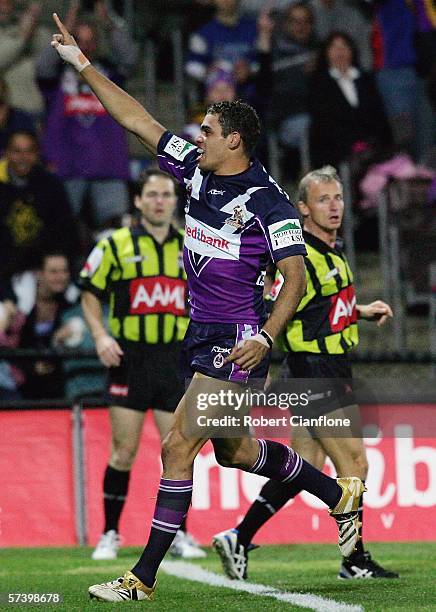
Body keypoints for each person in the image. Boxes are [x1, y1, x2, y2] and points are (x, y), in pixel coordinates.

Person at [50, 13, 365, 602]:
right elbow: (137, 120)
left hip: (239, 339)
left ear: (235, 140)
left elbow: (293, 279)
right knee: (236, 450)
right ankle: (336, 493)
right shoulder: (194, 172)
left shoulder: (266, 201)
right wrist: (84, 66)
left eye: (209, 129)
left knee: (177, 446)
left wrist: (267, 337)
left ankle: (140, 577)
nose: (198, 136)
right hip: (202, 334)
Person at [213, 166, 398, 580]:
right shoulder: (302, 256)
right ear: (303, 209)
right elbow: (278, 301)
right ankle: (354, 559)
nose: (334, 207)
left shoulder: (330, 248)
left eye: (338, 198)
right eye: (323, 200)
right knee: (355, 466)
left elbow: (323, 305)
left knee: (301, 468)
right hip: (313, 372)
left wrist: (361, 311)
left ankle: (238, 537)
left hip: (325, 368)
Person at [79, 168, 205, 560]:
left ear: (175, 201)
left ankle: (180, 534)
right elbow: (89, 292)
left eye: (165, 195)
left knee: (178, 452)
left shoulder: (191, 248)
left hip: (174, 360)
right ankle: (110, 533)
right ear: (137, 201)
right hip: (130, 358)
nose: (158, 201)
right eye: (151, 194)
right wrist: (100, 335)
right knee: (123, 450)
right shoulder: (114, 245)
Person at [36, 9, 137, 230]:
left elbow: (130, 59)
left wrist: (108, 22)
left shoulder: (109, 73)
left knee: (115, 232)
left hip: (108, 164)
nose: (84, 47)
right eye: (78, 40)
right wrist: (66, 30)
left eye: (90, 41)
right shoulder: (56, 76)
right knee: (61, 230)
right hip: (66, 166)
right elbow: (42, 67)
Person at [0, 130, 77, 281]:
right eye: (17, 151)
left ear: (37, 154)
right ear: (7, 153)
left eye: (29, 151)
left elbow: (65, 230)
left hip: (41, 267)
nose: (23, 158)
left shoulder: (51, 185)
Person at [308, 32, 391, 168]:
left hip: (371, 144)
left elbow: (378, 113)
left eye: (344, 47)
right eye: (334, 47)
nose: (340, 51)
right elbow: (323, 120)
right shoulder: (318, 83)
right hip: (336, 148)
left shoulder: (366, 79)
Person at [19, 251, 75, 400]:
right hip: (22, 392)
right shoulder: (21, 307)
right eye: (54, 272)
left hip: (60, 391)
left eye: (65, 271)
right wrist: (31, 368)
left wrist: (56, 340)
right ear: (39, 274)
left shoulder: (71, 309)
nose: (61, 277)